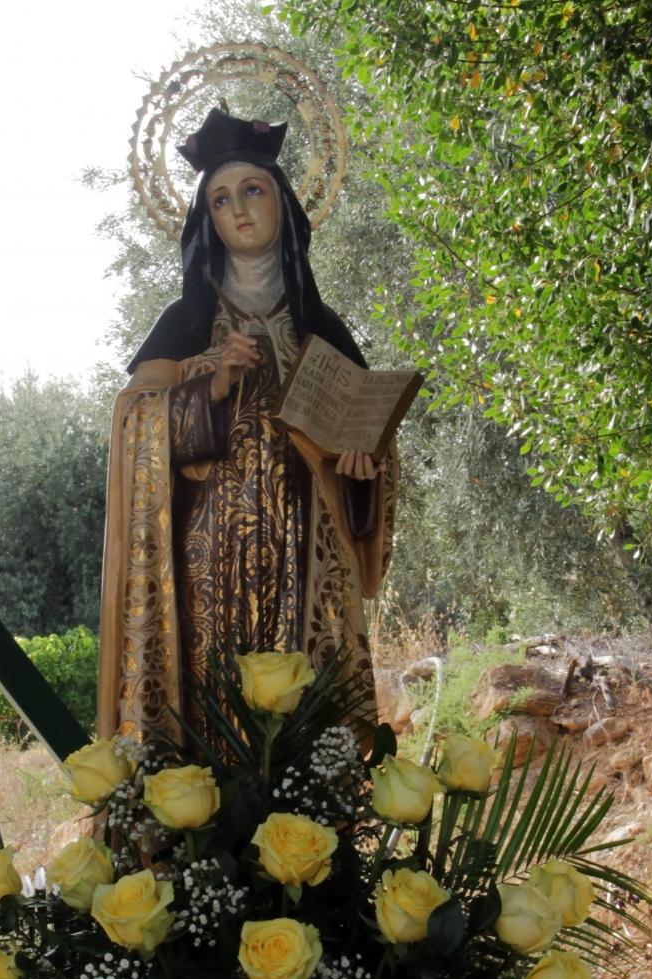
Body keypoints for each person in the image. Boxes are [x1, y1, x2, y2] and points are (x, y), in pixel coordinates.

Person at [98, 108, 396, 746]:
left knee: (306, 720)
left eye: (252, 191)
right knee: (214, 712)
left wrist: (362, 474)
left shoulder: (324, 329)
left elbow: (367, 435)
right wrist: (210, 384)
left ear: (283, 205)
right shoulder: (185, 324)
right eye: (220, 199)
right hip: (208, 556)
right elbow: (132, 423)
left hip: (307, 556)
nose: (238, 209)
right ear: (206, 220)